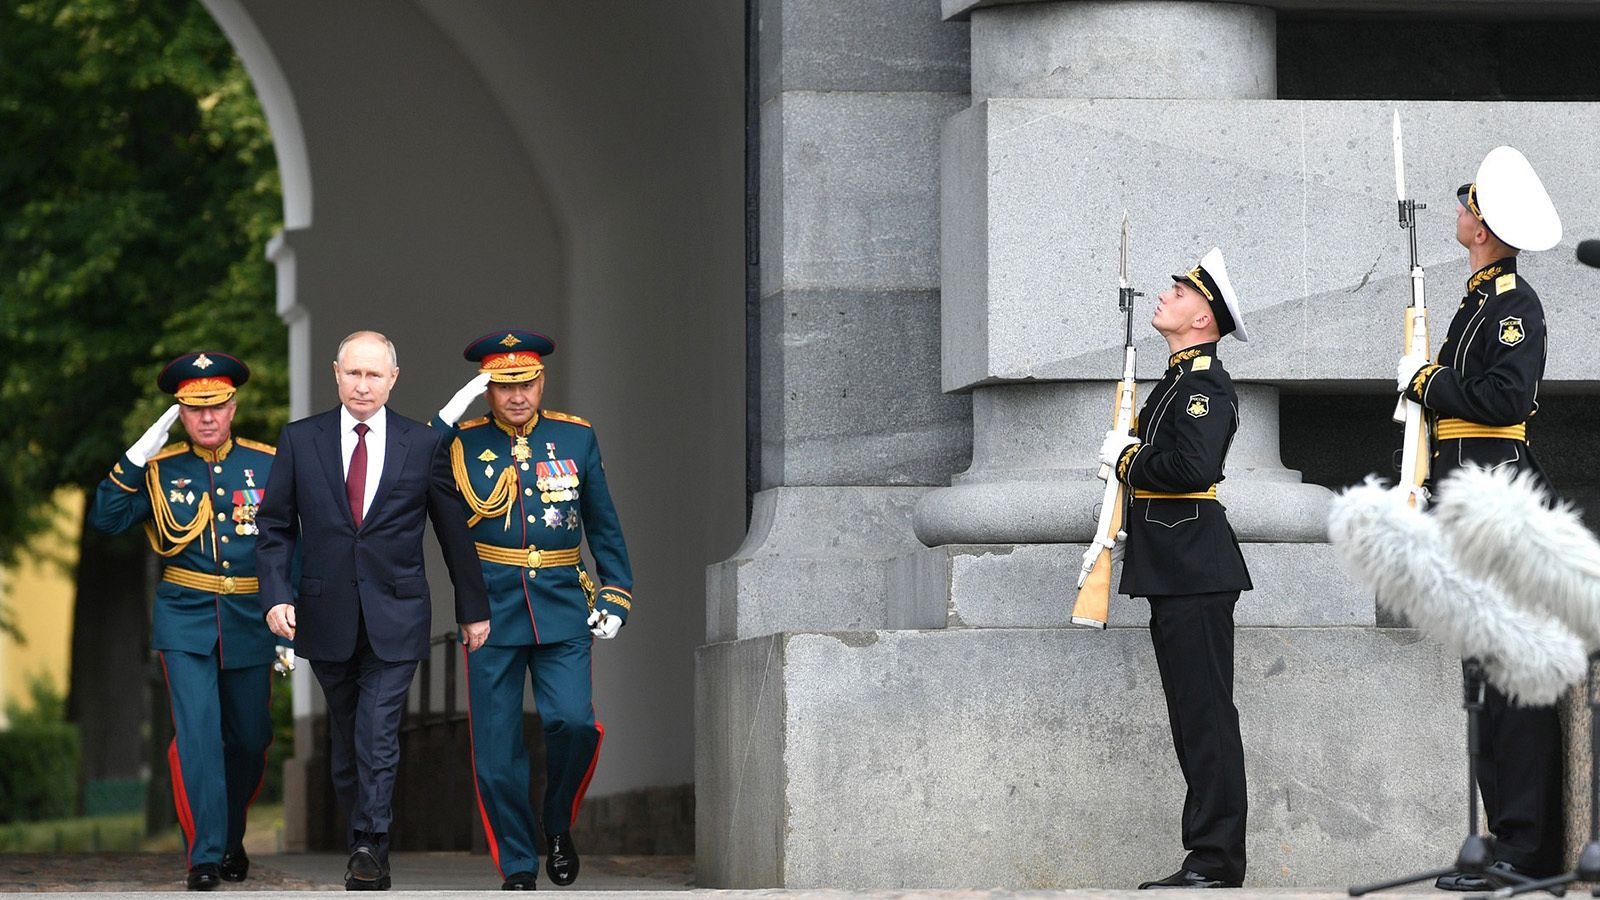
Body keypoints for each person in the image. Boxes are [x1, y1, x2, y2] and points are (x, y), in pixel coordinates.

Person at [255, 330, 490, 891]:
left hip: (398, 613)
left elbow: (452, 531)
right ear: (336, 374)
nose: (363, 385)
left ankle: (369, 843)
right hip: (325, 613)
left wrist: (472, 607)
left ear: (393, 379)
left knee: (377, 731)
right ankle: (365, 843)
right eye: (354, 373)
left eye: (374, 374)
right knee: (346, 740)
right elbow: (275, 527)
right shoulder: (300, 440)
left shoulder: (422, 444)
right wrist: (276, 595)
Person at [1396, 146, 1565, 891]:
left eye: (1468, 205)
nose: (1460, 212)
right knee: (1484, 682)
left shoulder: (1514, 307)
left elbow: (1504, 400)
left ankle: (1526, 847)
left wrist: (1429, 382)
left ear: (1485, 229)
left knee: (1511, 684)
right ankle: (1504, 837)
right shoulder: (1476, 304)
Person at [430, 330, 634, 890]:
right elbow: (411, 466)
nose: (517, 396)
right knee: (497, 751)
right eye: (503, 386)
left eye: (527, 383)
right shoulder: (461, 442)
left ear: (542, 382)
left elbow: (603, 522)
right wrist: (448, 416)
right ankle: (518, 863)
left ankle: (558, 821)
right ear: (487, 389)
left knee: (574, 722)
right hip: (490, 609)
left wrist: (616, 592)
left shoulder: (575, 436)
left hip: (563, 603)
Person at [88, 351, 287, 891]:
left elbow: (292, 541)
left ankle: (229, 835)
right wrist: (137, 455)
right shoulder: (160, 469)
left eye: (216, 406)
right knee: (197, 735)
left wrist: (289, 608)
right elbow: (106, 518)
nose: (207, 417)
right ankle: (205, 855)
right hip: (185, 616)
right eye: (194, 408)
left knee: (250, 738)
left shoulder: (268, 464)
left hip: (249, 616)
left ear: (233, 406)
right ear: (180, 412)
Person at [1096, 249, 1252, 889]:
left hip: (1195, 568)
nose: (1166, 295)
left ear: (1202, 318)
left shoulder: (1204, 387)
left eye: (1181, 292)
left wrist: (1127, 459)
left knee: (1207, 719)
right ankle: (1209, 856)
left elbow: (1192, 468)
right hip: (1175, 567)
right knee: (1193, 720)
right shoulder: (1174, 383)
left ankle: (1215, 861)